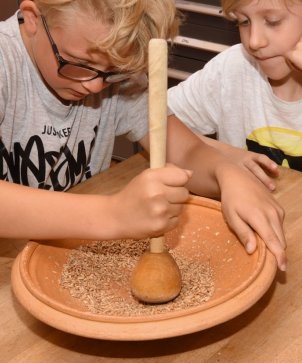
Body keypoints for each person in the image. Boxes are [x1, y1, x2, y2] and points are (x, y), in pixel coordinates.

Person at [0, 0, 286, 270]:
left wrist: (226, 173)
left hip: (64, 251)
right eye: (77, 64)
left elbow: (184, 151)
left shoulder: (113, 69)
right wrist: (112, 214)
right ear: (33, 19)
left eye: (113, 72)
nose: (96, 86)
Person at [168, 0, 302, 192]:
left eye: (273, 21)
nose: (254, 41)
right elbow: (153, 120)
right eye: (244, 21)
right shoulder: (231, 68)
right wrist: (226, 155)